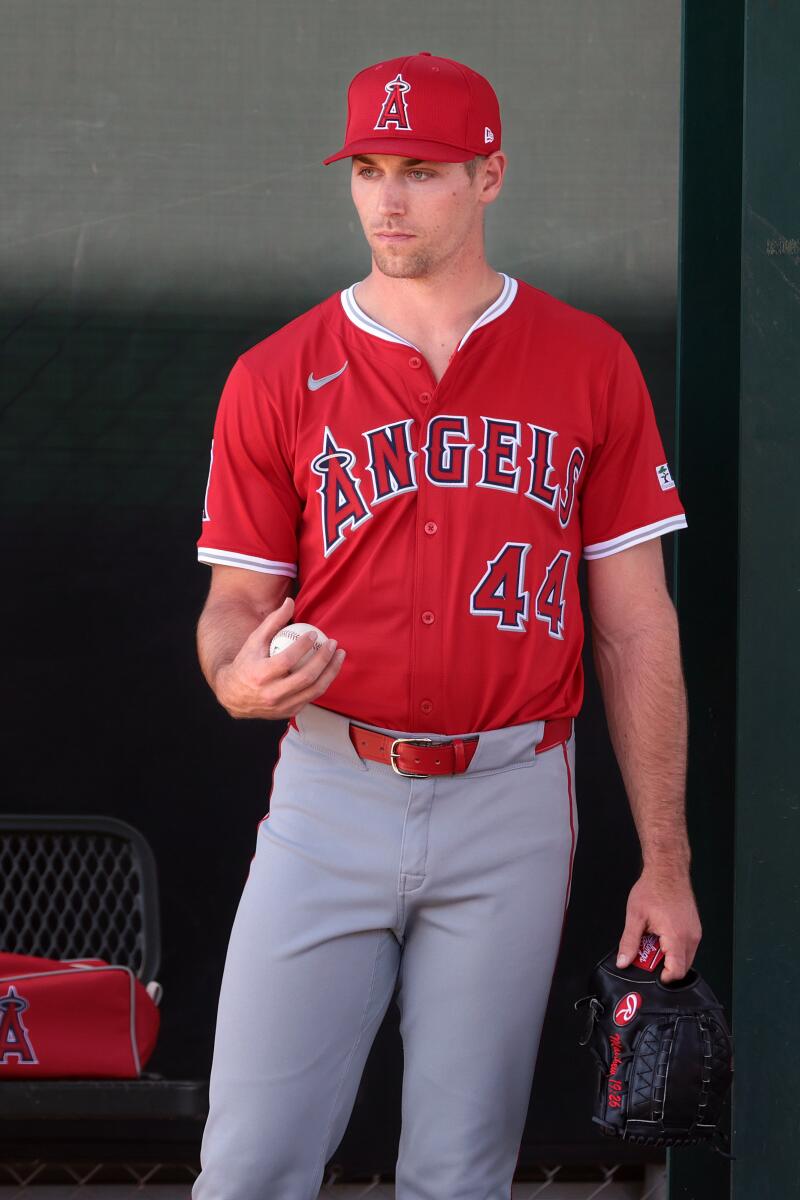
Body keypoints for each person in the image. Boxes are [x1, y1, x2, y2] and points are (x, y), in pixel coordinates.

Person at [192, 52, 701, 1200]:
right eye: (368, 168)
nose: (387, 198)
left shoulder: (587, 362)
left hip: (511, 797)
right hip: (329, 787)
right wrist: (234, 678)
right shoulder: (277, 374)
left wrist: (662, 863)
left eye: (419, 170)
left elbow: (632, 629)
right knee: (248, 1165)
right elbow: (233, 604)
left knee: (459, 1172)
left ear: (488, 177)